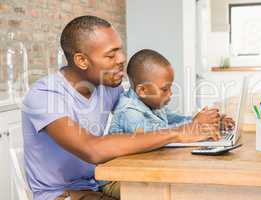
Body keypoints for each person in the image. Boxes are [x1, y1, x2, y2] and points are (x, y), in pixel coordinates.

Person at [22, 15, 221, 200]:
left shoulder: (106, 86)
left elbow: (147, 107)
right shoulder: (45, 95)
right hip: (64, 194)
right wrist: (178, 133)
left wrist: (198, 121)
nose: (122, 59)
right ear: (82, 60)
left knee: (181, 191)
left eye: (120, 50)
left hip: (98, 185)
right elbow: (92, 149)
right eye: (111, 56)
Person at [109, 49, 234, 135]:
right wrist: (196, 124)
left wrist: (209, 122)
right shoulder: (129, 112)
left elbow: (177, 120)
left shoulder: (153, 104)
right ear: (143, 90)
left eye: (170, 88)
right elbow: (159, 136)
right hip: (126, 170)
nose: (170, 94)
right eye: (164, 89)